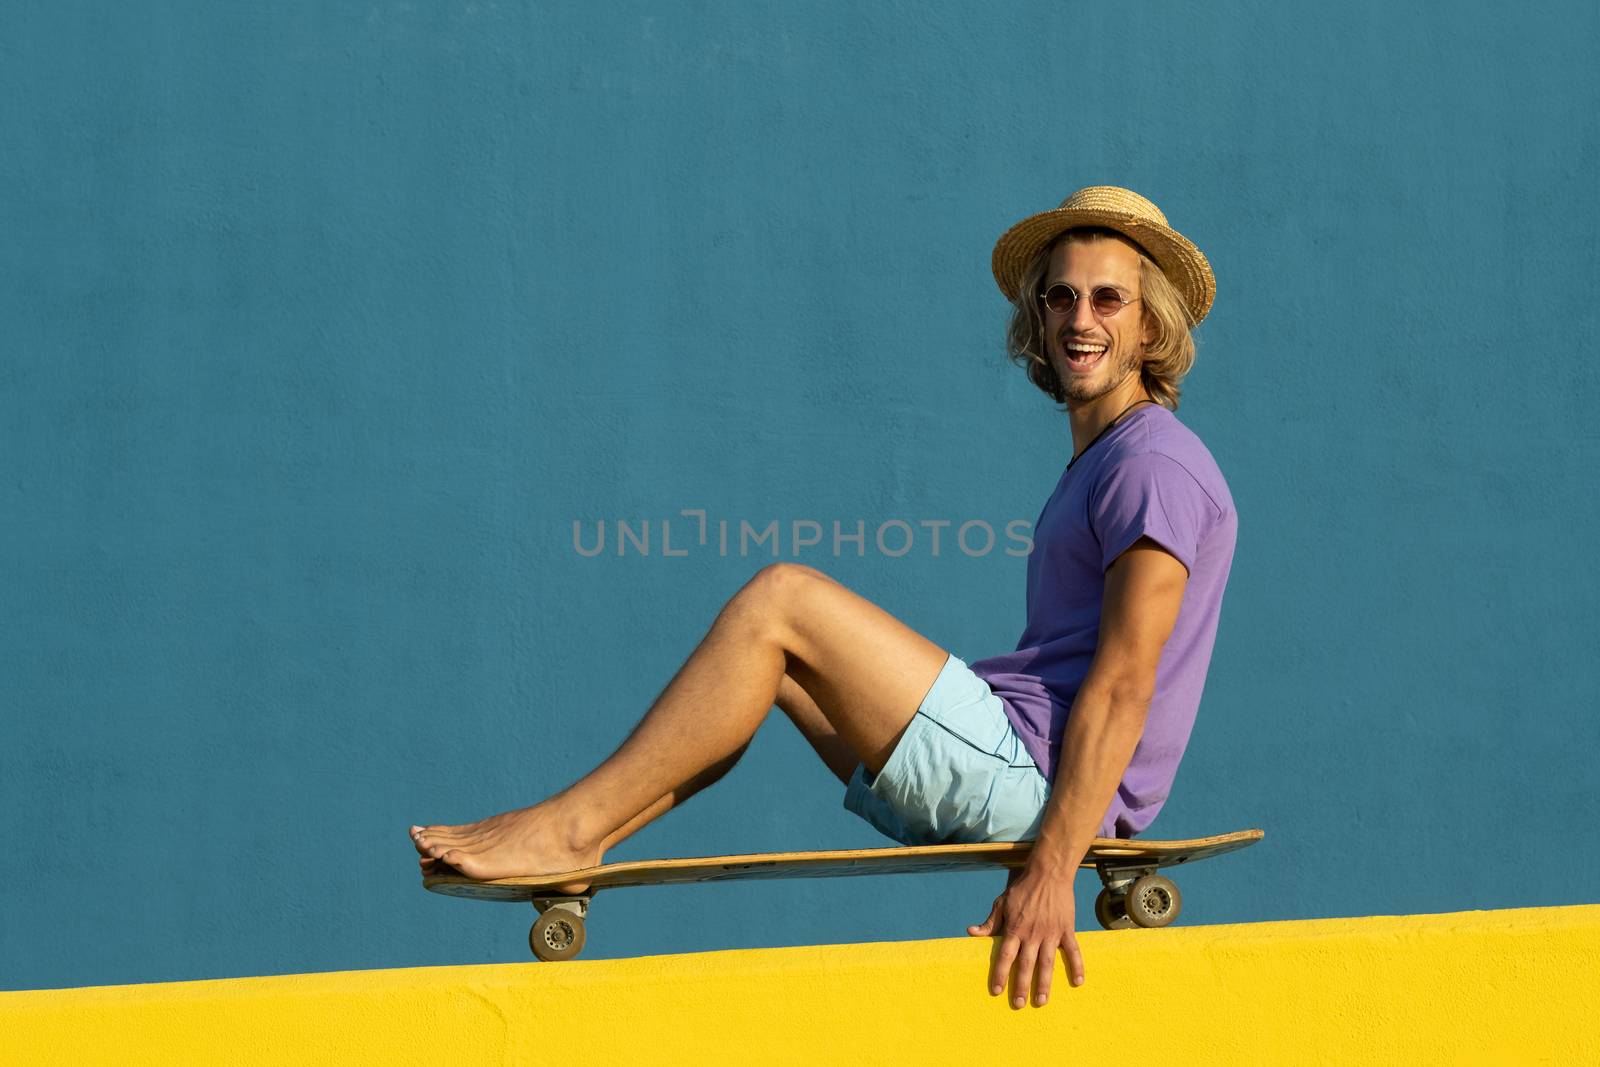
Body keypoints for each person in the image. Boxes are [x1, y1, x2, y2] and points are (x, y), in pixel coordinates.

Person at [410, 185, 1237, 1011]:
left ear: (1151, 325)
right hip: (1028, 767)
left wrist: (1054, 868)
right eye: (1061, 295)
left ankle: (567, 827)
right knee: (771, 664)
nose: (1078, 319)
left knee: (782, 602)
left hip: (1039, 777)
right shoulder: (1111, 461)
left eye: (1107, 299)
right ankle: (579, 840)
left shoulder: (1150, 463)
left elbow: (1128, 677)